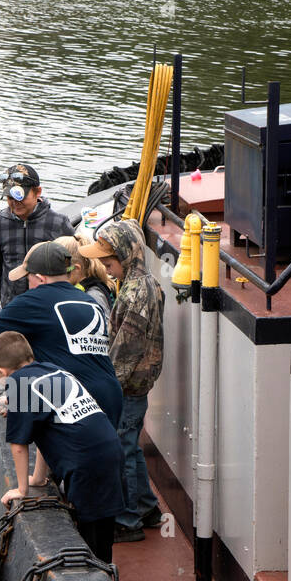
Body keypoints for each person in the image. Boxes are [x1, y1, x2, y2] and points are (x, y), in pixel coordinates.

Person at [0, 240, 123, 428]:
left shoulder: (36, 300)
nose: (26, 283)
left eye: (27, 276)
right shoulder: (87, 300)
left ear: (40, 277)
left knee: (72, 457)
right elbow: (61, 354)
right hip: (110, 396)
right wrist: (14, 398)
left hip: (74, 400)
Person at [0, 331, 124, 564]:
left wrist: (22, 490)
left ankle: (98, 575)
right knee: (103, 528)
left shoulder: (18, 383)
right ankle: (104, 568)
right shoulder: (53, 369)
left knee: (91, 538)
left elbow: (18, 445)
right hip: (110, 451)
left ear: (1, 371)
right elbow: (44, 427)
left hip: (85, 464)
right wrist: (38, 479)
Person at [79, 220, 164, 542]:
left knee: (122, 451)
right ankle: (146, 507)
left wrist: (104, 389)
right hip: (135, 387)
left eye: (109, 261)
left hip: (127, 389)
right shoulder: (140, 283)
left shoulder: (136, 292)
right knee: (131, 447)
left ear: (125, 255)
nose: (105, 267)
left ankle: (128, 521)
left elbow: (126, 352)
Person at [0, 164, 75, 315]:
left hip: (50, 309)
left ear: (37, 192)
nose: (15, 202)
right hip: (12, 309)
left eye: (20, 197)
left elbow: (74, 267)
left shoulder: (59, 223)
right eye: (10, 197)